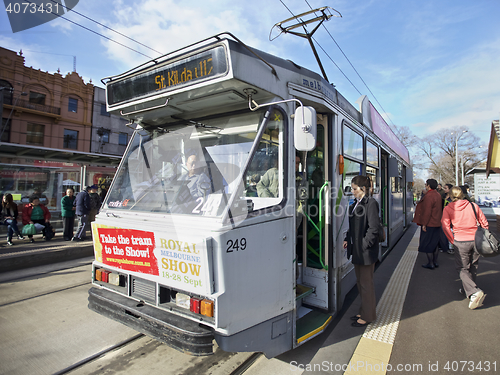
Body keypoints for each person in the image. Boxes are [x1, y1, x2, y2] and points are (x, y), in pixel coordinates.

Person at [441, 186, 488, 309]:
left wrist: (452, 239)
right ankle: (467, 289)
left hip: (460, 241)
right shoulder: (473, 206)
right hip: (476, 240)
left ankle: (473, 291)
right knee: (473, 265)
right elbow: (484, 223)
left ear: (451, 195)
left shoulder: (448, 208)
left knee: (462, 268)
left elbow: (445, 225)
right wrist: (482, 236)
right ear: (462, 194)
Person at [343, 175, 380, 327]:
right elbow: (352, 227)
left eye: (354, 189)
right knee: (360, 283)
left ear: (363, 189)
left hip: (365, 252)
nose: (352, 191)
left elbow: (373, 228)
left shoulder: (371, 203)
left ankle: (368, 316)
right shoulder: (355, 204)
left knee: (366, 284)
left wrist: (364, 245)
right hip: (357, 250)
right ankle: (364, 310)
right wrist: (347, 238)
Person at [412, 178, 442, 269]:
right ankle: (435, 261)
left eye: (426, 184)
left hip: (430, 223)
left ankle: (430, 263)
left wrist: (424, 224)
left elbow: (427, 212)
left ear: (428, 186)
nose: (425, 186)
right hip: (437, 222)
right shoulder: (437, 195)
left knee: (428, 243)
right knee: (435, 243)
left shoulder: (429, 196)